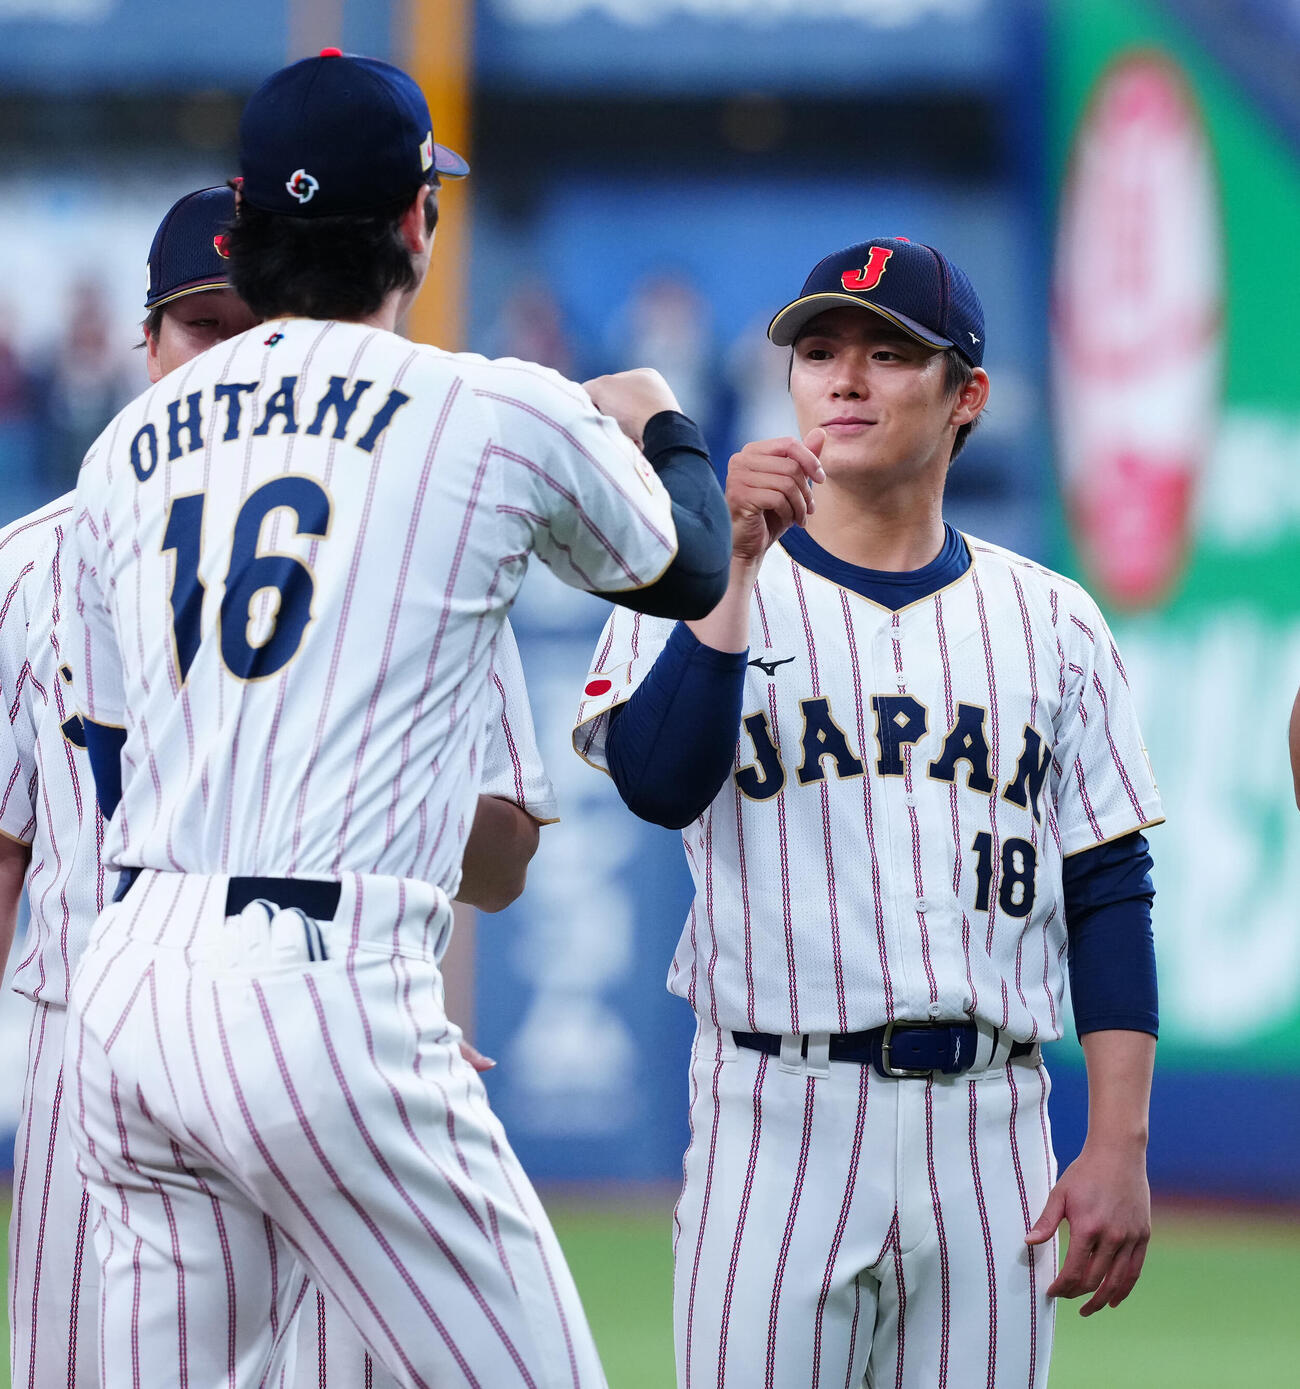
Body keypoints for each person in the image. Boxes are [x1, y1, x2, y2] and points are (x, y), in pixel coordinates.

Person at [64, 49, 729, 1389]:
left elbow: (116, 746)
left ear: (246, 233)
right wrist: (664, 419)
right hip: (324, 983)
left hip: (128, 984)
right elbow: (693, 565)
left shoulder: (124, 447)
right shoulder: (488, 405)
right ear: (418, 222)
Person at [573, 237, 1163, 1388]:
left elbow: (1107, 889)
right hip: (775, 1114)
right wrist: (733, 570)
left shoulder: (1052, 621)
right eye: (819, 350)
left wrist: (1119, 1142)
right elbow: (656, 782)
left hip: (989, 1122)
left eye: (889, 354)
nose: (843, 379)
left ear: (965, 397)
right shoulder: (689, 579)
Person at [0, 183, 559, 1388]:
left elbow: (505, 857)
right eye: (203, 328)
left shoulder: (427, 526)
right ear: (142, 345)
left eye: (260, 321)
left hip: (327, 1002)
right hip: (82, 1041)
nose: (239, 354)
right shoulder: (34, 558)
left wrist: (362, 904)